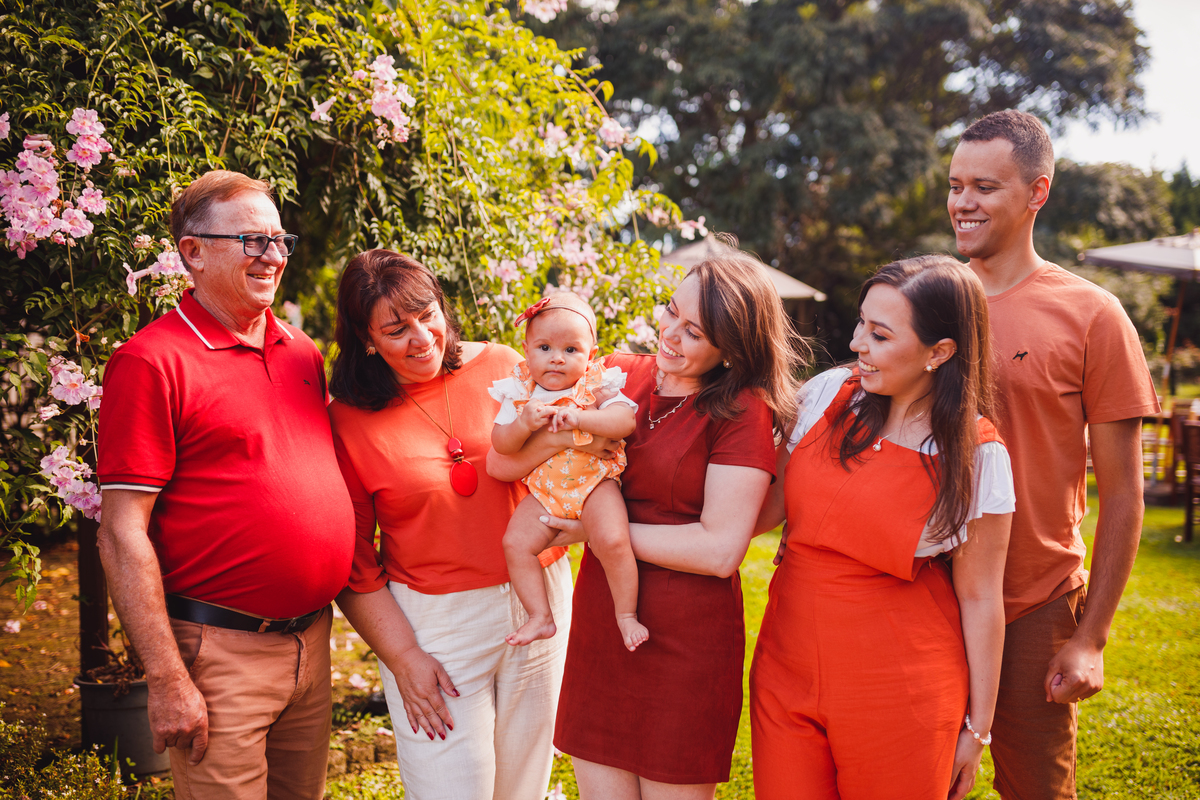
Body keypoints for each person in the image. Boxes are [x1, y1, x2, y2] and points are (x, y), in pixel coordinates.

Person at [489, 241, 801, 799]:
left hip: (686, 634)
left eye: (695, 332)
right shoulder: (615, 376)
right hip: (604, 616)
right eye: (670, 311)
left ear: (731, 349)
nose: (671, 334)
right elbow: (501, 461)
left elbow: (720, 551)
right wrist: (553, 435)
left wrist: (598, 533)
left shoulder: (740, 412)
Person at [96, 170, 355, 799]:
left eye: (279, 239)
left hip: (311, 644)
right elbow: (121, 530)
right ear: (192, 251)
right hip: (218, 656)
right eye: (251, 240)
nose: (273, 256)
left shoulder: (301, 352)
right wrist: (166, 676)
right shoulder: (149, 362)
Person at [947, 109, 1159, 798]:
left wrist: (1090, 636)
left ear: (1037, 192)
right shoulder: (930, 299)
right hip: (922, 590)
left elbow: (1124, 494)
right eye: (955, 185)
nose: (963, 202)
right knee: (908, 777)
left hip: (1032, 604)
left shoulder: (1093, 315)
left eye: (985, 186)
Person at [750, 255, 1015, 799]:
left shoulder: (976, 455)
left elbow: (982, 598)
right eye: (860, 323)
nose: (856, 344)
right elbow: (762, 509)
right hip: (784, 670)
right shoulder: (827, 393)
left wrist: (978, 728)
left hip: (901, 691)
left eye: (880, 334)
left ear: (939, 352)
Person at [328, 249, 589, 800]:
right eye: (396, 329)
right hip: (436, 624)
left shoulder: (502, 366)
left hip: (540, 597)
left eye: (428, 315)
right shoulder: (348, 418)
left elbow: (581, 433)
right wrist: (403, 656)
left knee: (524, 785)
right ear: (366, 339)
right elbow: (353, 557)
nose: (422, 338)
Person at [488, 292, 644, 650]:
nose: (557, 358)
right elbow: (501, 444)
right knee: (515, 544)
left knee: (614, 540)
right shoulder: (519, 392)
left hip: (595, 483)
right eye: (545, 348)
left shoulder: (594, 384)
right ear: (526, 348)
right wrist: (523, 425)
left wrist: (580, 416)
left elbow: (624, 421)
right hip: (545, 492)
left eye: (571, 350)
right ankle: (540, 617)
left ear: (590, 353)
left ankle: (626, 615)